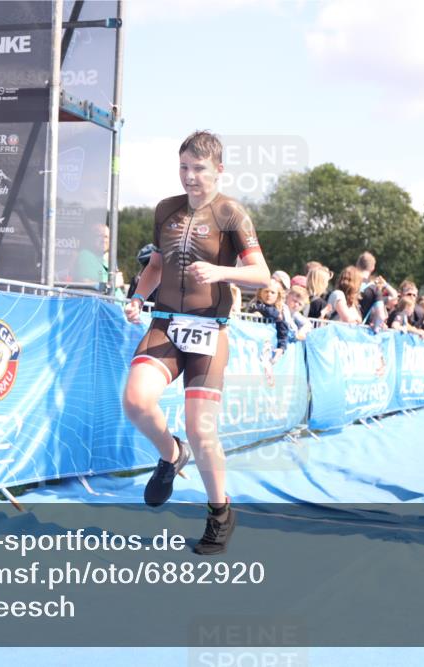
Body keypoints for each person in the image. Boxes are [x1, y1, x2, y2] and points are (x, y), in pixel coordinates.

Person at [122, 131, 271, 555]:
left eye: (199, 169)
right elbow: (154, 267)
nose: (190, 177)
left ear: (219, 170)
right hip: (166, 323)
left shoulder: (231, 213)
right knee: (135, 400)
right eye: (184, 167)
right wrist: (137, 297)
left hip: (208, 330)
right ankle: (171, 455)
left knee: (201, 429)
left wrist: (222, 273)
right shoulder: (165, 210)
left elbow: (261, 274)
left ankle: (220, 511)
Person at [248, 284, 288, 361]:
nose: (269, 294)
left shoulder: (280, 311)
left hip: (269, 346)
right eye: (266, 291)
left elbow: (283, 332)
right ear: (260, 293)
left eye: (272, 292)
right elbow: (254, 308)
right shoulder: (255, 305)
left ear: (278, 295)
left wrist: (281, 348)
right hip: (253, 345)